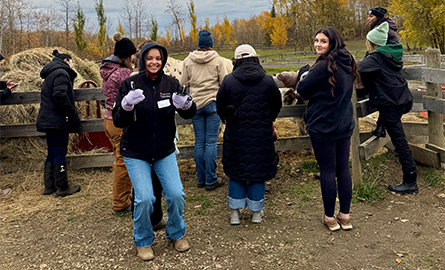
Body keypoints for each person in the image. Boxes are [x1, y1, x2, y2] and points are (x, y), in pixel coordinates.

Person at [112, 41, 196, 261]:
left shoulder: (171, 84)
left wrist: (187, 105)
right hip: (135, 152)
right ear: (142, 60)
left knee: (176, 194)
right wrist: (126, 106)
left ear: (163, 60)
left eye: (158, 58)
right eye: (150, 58)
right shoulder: (129, 84)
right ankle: (143, 240)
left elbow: (189, 113)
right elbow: (119, 120)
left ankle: (176, 233)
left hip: (163, 151)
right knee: (146, 198)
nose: (154, 62)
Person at [296, 27, 359, 231]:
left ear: (332, 42)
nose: (318, 44)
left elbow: (302, 90)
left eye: (323, 41)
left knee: (328, 170)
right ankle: (346, 216)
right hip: (343, 123)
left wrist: (303, 74)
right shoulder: (348, 61)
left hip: (323, 125)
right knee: (342, 168)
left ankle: (330, 218)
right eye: (316, 40)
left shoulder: (323, 66)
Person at [216, 44, 282, 225]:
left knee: (236, 171)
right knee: (257, 170)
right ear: (255, 58)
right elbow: (277, 104)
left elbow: (220, 106)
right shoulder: (268, 80)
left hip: (236, 132)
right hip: (261, 134)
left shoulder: (229, 80)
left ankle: (235, 214)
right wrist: (268, 119)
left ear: (236, 60)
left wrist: (227, 119)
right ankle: (256, 213)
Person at [358, 22, 418, 194]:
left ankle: (410, 180)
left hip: (392, 103)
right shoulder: (390, 56)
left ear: (372, 43)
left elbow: (355, 70)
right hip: (402, 99)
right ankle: (380, 128)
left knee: (400, 142)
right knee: (393, 130)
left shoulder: (375, 59)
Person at [180, 29, 230, 191]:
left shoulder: (188, 60)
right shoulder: (218, 60)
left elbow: (183, 82)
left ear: (199, 44)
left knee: (199, 142)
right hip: (213, 104)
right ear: (211, 44)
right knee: (211, 143)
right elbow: (224, 81)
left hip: (196, 105)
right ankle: (211, 179)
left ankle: (201, 179)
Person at [36, 50, 81, 197]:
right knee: (60, 151)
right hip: (57, 120)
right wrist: (71, 112)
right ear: (67, 60)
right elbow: (60, 95)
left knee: (52, 152)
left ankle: (49, 186)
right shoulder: (62, 73)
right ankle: (62, 187)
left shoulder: (51, 73)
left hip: (48, 119)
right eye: (72, 62)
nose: (73, 65)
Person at [101, 32, 137, 213]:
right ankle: (120, 203)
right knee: (124, 162)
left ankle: (123, 195)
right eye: (133, 55)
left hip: (108, 119)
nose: (134, 58)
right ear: (126, 56)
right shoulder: (123, 73)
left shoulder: (108, 70)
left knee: (119, 159)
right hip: (120, 122)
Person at [367, 6, 400, 138]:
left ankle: (381, 124)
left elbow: (376, 48)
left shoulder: (382, 29)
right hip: (388, 58)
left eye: (371, 16)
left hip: (387, 60)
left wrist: (367, 61)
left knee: (383, 93)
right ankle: (381, 126)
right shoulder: (382, 26)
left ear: (377, 17)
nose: (368, 19)